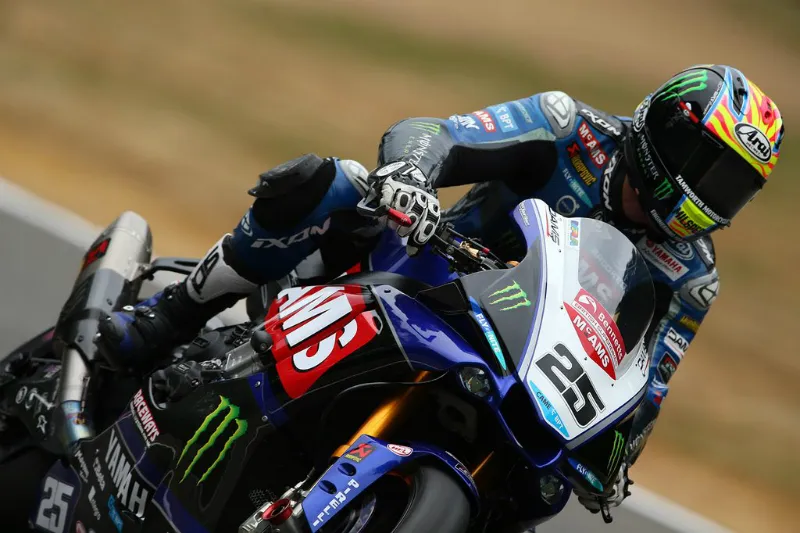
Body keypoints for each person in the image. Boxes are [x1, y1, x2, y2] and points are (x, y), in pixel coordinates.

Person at [98, 64, 784, 514]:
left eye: (734, 187)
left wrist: (617, 456)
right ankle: (168, 316)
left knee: (543, 494)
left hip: (529, 383)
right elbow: (433, 133)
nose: (712, 195)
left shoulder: (692, 276)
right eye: (709, 167)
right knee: (335, 184)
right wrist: (412, 176)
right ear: (667, 135)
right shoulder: (568, 128)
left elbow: (647, 385)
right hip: (428, 284)